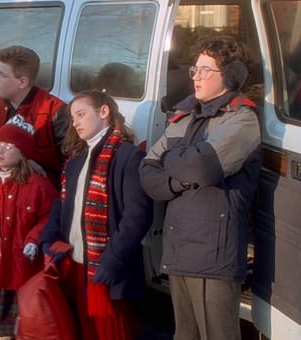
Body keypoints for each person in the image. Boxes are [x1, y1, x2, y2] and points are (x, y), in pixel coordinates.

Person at [139, 36, 260, 340]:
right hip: (180, 248)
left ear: (231, 77)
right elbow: (147, 173)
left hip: (215, 254)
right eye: (195, 69)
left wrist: (173, 161)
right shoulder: (184, 117)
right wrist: (181, 176)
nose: (196, 77)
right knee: (184, 335)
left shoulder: (242, 120)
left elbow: (201, 168)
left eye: (206, 70)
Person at [40, 90, 153, 340]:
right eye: (72, 118)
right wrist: (48, 239)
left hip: (108, 271)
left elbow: (137, 217)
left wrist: (112, 260)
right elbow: (62, 204)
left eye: (81, 114)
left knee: (111, 333)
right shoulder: (76, 159)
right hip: (76, 265)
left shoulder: (128, 156)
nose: (75, 123)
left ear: (104, 112)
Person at [0, 115, 57, 340]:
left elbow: (50, 217)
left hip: (22, 270)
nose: (0, 150)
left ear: (23, 152)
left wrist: (34, 239)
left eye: (8, 146)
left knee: (25, 327)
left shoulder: (38, 184)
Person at [0, 45, 68, 186]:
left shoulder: (55, 110)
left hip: (34, 195)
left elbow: (70, 163)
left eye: (2, 75)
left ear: (22, 82)